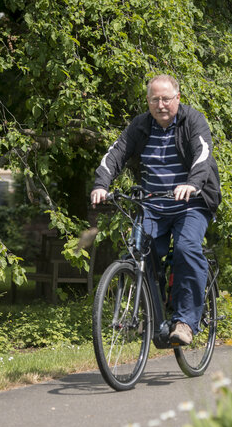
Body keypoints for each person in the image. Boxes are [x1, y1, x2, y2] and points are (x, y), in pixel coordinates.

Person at [91, 74, 221, 345]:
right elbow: (114, 154)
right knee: (137, 253)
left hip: (191, 204)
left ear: (178, 98)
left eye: (166, 99)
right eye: (154, 99)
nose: (160, 105)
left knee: (186, 249)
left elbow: (203, 155)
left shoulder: (192, 121)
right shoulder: (140, 126)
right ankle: (154, 316)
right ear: (148, 101)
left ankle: (186, 321)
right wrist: (101, 184)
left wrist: (192, 184)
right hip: (153, 205)